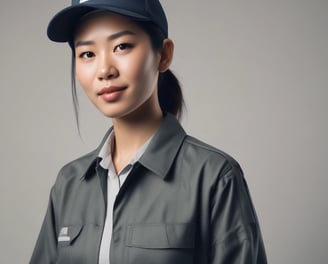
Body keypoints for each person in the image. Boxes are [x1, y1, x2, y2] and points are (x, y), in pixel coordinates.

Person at [30, 0, 267, 263]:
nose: (104, 70)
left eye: (122, 46)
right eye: (87, 54)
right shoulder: (69, 184)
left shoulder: (214, 177)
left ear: (163, 55)